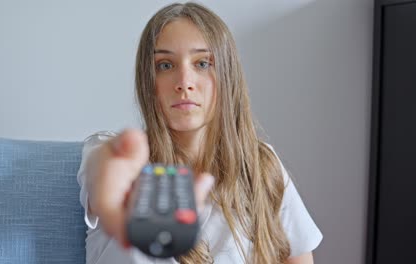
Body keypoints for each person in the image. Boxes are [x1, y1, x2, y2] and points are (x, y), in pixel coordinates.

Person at [77, 2, 323, 264]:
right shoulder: (111, 152)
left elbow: (297, 258)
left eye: (203, 63)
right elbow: (102, 178)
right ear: (148, 81)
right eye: (165, 65)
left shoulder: (261, 165)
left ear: (227, 76)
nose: (184, 82)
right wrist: (116, 184)